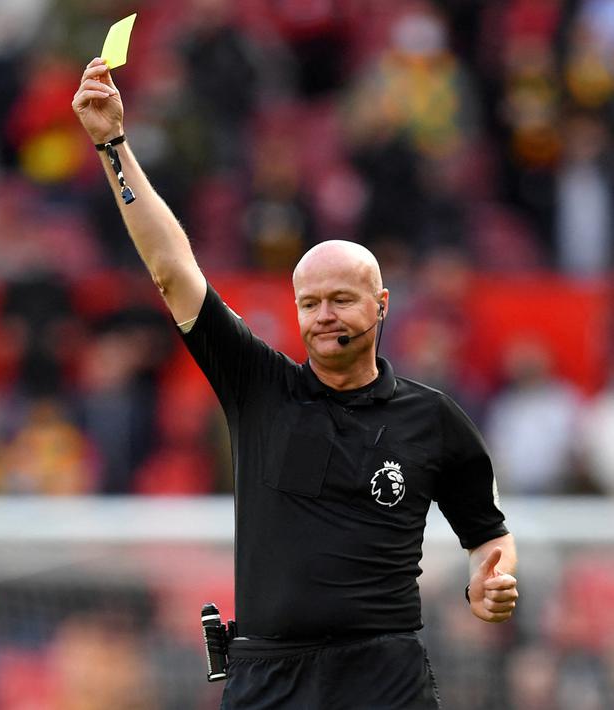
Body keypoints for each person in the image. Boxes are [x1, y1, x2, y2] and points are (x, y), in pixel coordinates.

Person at [73, 58, 518, 708]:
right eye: (309, 303)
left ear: (382, 304)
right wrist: (113, 146)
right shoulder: (259, 387)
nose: (323, 315)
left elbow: (487, 532)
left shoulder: (433, 418)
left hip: (382, 680)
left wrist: (490, 578)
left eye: (341, 298)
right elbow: (172, 269)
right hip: (268, 681)